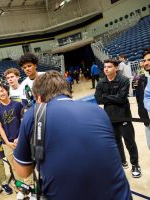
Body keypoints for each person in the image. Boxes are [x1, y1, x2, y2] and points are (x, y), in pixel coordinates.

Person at [13, 71, 132, 199]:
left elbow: (23, 172)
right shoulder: (97, 110)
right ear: (68, 91)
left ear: (39, 98)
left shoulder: (33, 114)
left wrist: (19, 146)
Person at [95, 59, 141, 178]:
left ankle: (135, 165)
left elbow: (121, 98)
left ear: (116, 68)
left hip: (124, 115)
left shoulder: (123, 80)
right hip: (109, 118)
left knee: (129, 142)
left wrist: (106, 97)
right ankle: (122, 161)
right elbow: (98, 99)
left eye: (109, 67)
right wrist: (113, 97)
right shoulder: (101, 83)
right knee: (116, 142)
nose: (106, 69)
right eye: (105, 67)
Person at [0, 84, 33, 199]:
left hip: (21, 140)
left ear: (7, 91)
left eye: (3, 90)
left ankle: (30, 187)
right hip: (7, 144)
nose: (1, 93)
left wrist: (20, 137)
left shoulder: (18, 104)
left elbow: (23, 122)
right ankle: (22, 188)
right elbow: (0, 128)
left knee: (26, 164)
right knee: (14, 167)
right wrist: (7, 142)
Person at [140, 50, 150, 149]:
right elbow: (142, 100)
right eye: (145, 60)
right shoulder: (143, 79)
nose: (146, 63)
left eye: (149, 60)